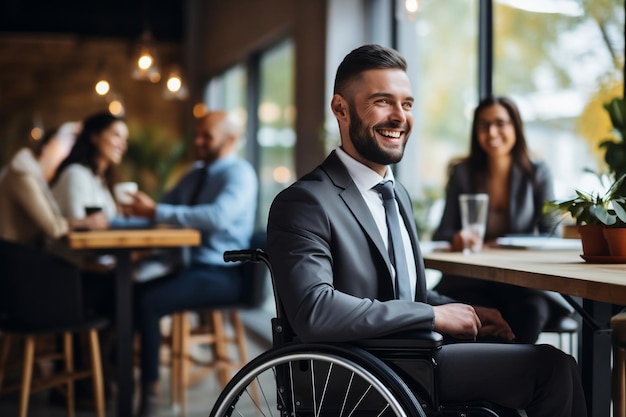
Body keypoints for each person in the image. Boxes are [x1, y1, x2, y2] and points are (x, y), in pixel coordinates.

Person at [267, 44, 586, 416]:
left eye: (407, 104)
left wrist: (462, 310)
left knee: (540, 359)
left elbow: (407, 294)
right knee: (551, 370)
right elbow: (315, 310)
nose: (399, 117)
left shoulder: (394, 193)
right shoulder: (305, 201)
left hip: (411, 355)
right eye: (382, 101)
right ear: (341, 108)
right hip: (364, 371)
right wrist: (433, 316)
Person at [122, 110, 258, 417]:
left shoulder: (240, 173)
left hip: (222, 271)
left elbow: (216, 216)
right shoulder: (196, 173)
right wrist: (122, 218)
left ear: (231, 139)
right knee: (126, 291)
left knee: (148, 301)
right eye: (197, 134)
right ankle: (114, 375)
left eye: (206, 136)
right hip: (187, 266)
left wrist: (156, 211)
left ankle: (150, 395)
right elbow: (161, 209)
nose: (197, 141)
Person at [431, 95, 567, 344]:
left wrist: (497, 244)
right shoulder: (462, 173)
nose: (492, 132)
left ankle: (513, 378)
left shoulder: (537, 173)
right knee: (461, 318)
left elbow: (551, 234)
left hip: (523, 283)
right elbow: (443, 233)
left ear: (515, 127)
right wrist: (458, 239)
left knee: (529, 314)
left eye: (500, 123)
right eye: (483, 125)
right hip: (471, 280)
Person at [0, 121, 108, 249]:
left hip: (23, 250)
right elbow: (53, 228)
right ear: (50, 144)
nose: (66, 155)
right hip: (14, 254)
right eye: (65, 148)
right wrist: (85, 222)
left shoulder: (33, 175)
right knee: (74, 266)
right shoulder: (23, 172)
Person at [51, 111, 129, 223]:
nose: (123, 145)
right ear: (95, 136)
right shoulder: (75, 174)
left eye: (125, 139)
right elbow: (81, 226)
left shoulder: (101, 179)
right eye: (116, 135)